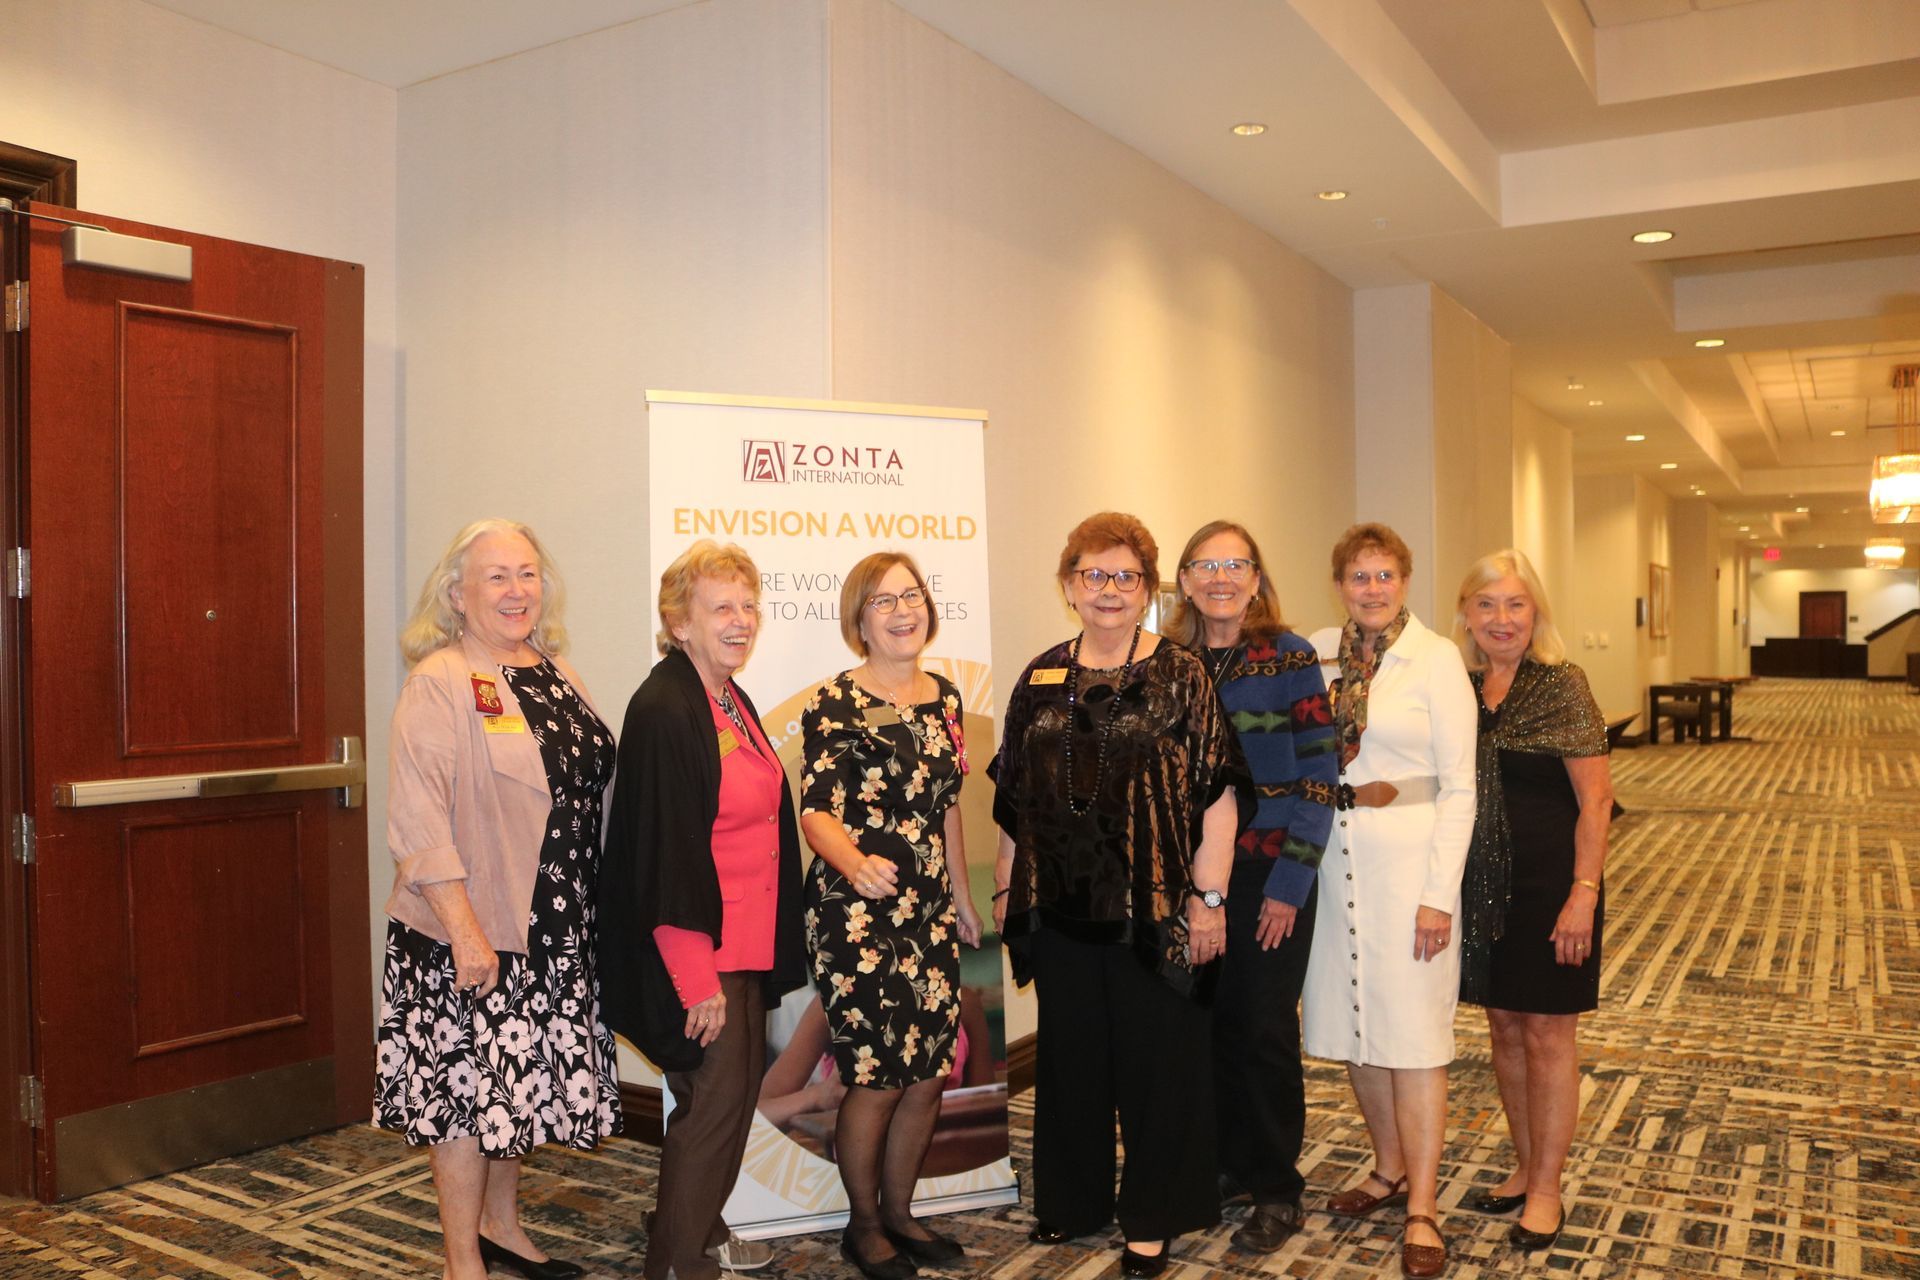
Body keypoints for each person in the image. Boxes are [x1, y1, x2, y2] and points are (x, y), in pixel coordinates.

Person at [990, 512, 1250, 1280]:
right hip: (1060, 905)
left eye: (1125, 577)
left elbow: (1220, 795)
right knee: (1070, 1060)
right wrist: (1008, 886)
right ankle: (1073, 1202)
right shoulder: (1039, 674)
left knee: (1155, 1065)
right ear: (1070, 585)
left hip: (1154, 904)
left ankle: (1153, 1216)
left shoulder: (1182, 674)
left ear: (1148, 589)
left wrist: (1210, 900)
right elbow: (1013, 795)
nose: (1108, 590)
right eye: (1093, 575)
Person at [376, 518, 621, 1280]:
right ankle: (461, 1261)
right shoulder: (440, 679)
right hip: (475, 930)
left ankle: (502, 1230)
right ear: (456, 594)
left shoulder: (555, 670)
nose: (517, 591)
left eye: (527, 573)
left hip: (552, 924)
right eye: (496, 577)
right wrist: (464, 932)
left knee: (517, 1092)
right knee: (466, 1096)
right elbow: (417, 816)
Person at [597, 540, 807, 1280]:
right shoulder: (664, 708)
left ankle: (701, 1226)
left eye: (749, 605)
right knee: (710, 1113)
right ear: (679, 621)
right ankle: (678, 1263)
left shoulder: (725, 696)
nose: (742, 619)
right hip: (702, 959)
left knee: (729, 1104)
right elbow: (665, 857)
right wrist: (696, 979)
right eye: (723, 606)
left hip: (743, 944)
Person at [797, 551, 985, 1280]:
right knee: (877, 1074)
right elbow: (815, 812)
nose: (902, 610)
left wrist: (963, 901)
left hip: (930, 912)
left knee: (930, 1072)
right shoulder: (834, 701)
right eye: (883, 601)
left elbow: (946, 807)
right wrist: (854, 863)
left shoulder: (945, 697)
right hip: (857, 916)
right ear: (859, 621)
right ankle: (864, 1223)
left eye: (911, 596)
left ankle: (903, 1212)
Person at [1302, 522, 1475, 1280]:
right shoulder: (1315, 654)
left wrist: (1439, 897)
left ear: (1405, 581)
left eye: (1385, 576)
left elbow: (1462, 788)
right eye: (1357, 577)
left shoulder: (1437, 659)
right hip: (1332, 859)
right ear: (1339, 583)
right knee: (1353, 1023)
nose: (1371, 590)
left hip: (1411, 865)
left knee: (1415, 1036)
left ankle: (1424, 1205)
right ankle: (1386, 1166)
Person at [1168, 520, 1337, 1255]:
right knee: (1202, 1028)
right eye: (1206, 565)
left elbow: (1320, 777)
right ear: (1183, 580)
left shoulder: (1289, 657)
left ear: (1257, 577)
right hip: (1191, 881)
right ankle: (1221, 1166)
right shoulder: (1167, 662)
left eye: (1236, 564)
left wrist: (1290, 884)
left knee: (1262, 1030)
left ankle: (1275, 1185)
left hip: (1272, 874)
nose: (1221, 578)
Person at [1453, 550, 1612, 1253]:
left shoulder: (1563, 685)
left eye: (1515, 604)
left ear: (1535, 613)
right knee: (1504, 1030)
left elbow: (1597, 801)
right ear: (1466, 615)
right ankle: (1523, 1166)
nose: (1502, 619)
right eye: (1487, 605)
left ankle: (1547, 1188)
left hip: (1554, 884)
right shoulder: (1457, 688)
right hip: (1481, 886)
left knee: (1549, 1035)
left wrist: (1584, 894)